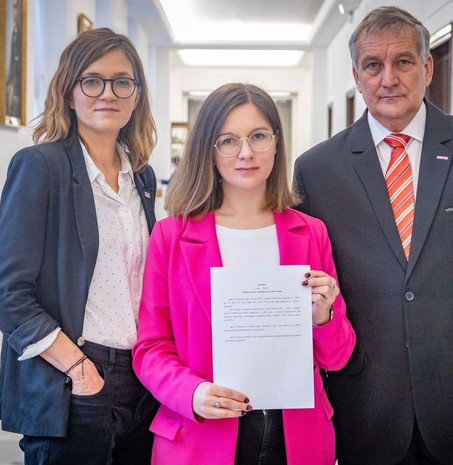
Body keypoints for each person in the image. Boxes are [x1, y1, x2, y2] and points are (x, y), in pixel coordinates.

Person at [293, 6, 453, 465]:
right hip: (363, 408)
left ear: (427, 67)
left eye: (403, 61)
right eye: (373, 65)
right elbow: (306, 290)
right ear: (357, 76)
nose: (388, 78)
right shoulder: (316, 170)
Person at [132, 83, 356, 465]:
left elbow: (337, 357)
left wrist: (324, 317)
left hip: (295, 435)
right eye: (228, 141)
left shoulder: (311, 232)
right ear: (209, 151)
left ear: (276, 143)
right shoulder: (171, 237)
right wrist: (192, 393)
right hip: (202, 434)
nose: (246, 152)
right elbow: (150, 349)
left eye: (258, 136)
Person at [0, 28, 158, 465]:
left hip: (141, 379)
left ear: (136, 95)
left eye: (122, 81)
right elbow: (7, 293)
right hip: (74, 379)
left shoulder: (142, 176)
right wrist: (81, 371)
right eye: (92, 81)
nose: (108, 93)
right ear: (69, 92)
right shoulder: (41, 166)